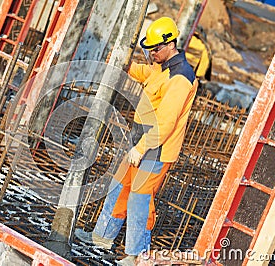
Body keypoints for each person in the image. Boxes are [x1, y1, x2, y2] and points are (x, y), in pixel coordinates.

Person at [74, 16, 198, 265]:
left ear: (169, 44)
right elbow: (144, 73)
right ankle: (102, 238)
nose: (151, 54)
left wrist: (141, 148)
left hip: (156, 149)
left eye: (154, 50)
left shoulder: (180, 77)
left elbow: (165, 122)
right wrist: (121, 60)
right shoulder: (162, 67)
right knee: (119, 187)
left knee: (140, 200)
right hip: (139, 142)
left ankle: (136, 256)